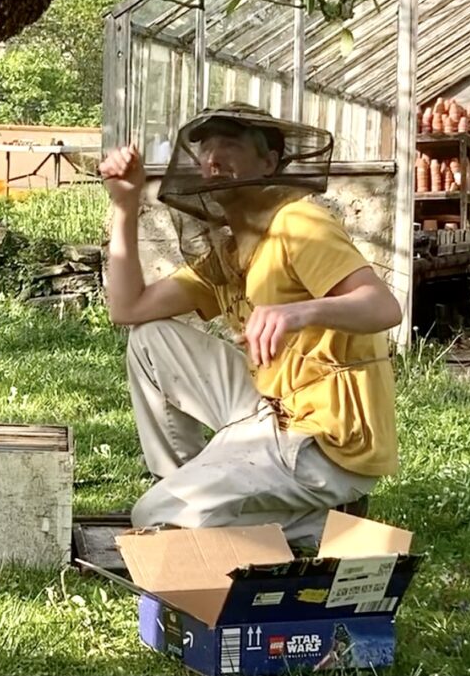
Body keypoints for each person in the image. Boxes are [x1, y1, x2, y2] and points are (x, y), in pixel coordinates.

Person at [99, 103, 402, 547]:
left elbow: (383, 307)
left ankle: (327, 528)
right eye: (206, 148)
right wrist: (125, 206)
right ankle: (189, 489)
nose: (214, 158)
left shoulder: (299, 223)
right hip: (269, 411)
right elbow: (128, 309)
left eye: (231, 144)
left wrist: (299, 311)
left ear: (269, 162)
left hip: (325, 441)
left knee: (153, 516)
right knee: (150, 338)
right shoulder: (228, 252)